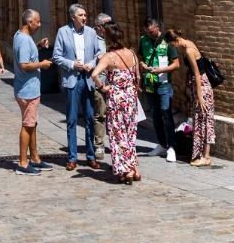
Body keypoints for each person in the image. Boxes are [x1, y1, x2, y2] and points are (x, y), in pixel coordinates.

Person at [50, 3, 103, 171]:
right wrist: (73, 64)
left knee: (89, 118)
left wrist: (90, 64)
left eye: (85, 15)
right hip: (72, 79)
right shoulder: (63, 32)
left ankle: (90, 156)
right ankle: (72, 157)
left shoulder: (91, 32)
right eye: (81, 15)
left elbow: (98, 54)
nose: (85, 18)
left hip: (87, 79)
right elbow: (56, 56)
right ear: (73, 17)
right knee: (72, 119)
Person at [88, 22, 141, 184]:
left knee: (118, 135)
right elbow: (137, 77)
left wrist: (103, 88)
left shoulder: (109, 57)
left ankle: (126, 170)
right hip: (130, 98)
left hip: (117, 98)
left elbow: (94, 74)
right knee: (130, 134)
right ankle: (133, 168)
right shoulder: (131, 53)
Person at [168, 27, 214, 166]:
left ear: (176, 41)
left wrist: (199, 96)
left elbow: (197, 74)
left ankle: (205, 156)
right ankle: (204, 155)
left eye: (172, 45)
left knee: (203, 120)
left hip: (201, 88)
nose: (173, 48)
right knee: (204, 119)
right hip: (200, 86)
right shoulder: (190, 43)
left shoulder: (188, 51)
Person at [11, 9, 49, 174]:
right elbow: (24, 65)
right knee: (27, 126)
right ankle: (23, 163)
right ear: (29, 22)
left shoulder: (21, 36)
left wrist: (38, 46)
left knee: (32, 124)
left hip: (27, 88)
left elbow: (26, 57)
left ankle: (35, 158)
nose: (39, 24)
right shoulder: (24, 40)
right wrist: (42, 64)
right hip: (27, 90)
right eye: (37, 21)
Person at [138, 18, 179, 162]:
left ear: (157, 27)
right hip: (149, 83)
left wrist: (162, 69)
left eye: (152, 31)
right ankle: (162, 144)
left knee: (166, 114)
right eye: (147, 32)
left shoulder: (167, 41)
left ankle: (172, 147)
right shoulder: (143, 40)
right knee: (155, 115)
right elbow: (141, 57)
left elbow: (176, 63)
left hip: (164, 83)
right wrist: (143, 65)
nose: (150, 34)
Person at [92, 13, 113, 154]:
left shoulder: (112, 39)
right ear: (99, 27)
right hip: (100, 81)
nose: (111, 27)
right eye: (107, 25)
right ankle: (99, 144)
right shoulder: (92, 40)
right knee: (100, 113)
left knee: (114, 114)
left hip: (113, 82)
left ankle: (115, 142)